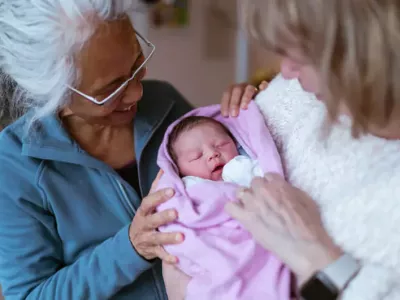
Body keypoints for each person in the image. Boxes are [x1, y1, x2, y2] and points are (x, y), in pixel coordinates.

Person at [0, 1, 257, 299]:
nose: (137, 92)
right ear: (53, 94)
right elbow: (31, 295)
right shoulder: (14, 165)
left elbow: (237, 176)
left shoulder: (164, 102)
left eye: (136, 65)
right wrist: (131, 248)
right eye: (110, 89)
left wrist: (246, 118)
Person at [163, 1, 400, 299]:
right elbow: (180, 165)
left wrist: (323, 265)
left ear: (363, 44)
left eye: (300, 54)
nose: (285, 73)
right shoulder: (299, 96)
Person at [157, 103, 292, 300]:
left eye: (221, 145)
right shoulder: (188, 188)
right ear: (178, 170)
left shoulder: (245, 166)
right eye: (196, 156)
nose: (212, 154)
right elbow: (177, 224)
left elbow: (270, 184)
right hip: (216, 251)